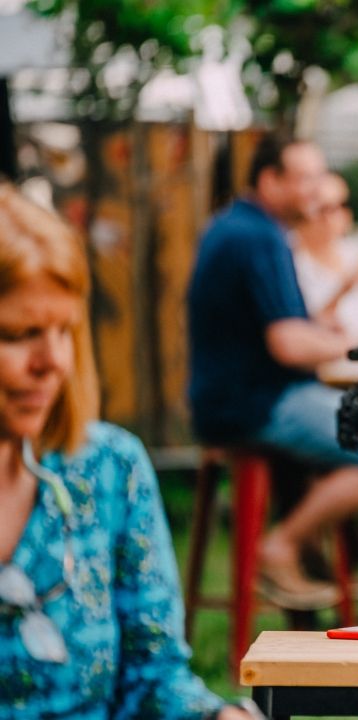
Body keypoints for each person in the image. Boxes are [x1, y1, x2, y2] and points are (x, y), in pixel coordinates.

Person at [0, 185, 250, 718]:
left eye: (64, 331)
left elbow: (153, 679)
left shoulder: (107, 468)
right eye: (20, 334)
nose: (52, 362)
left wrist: (220, 715)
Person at [187, 134, 358, 610]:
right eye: (306, 179)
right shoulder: (259, 237)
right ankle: (285, 545)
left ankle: (323, 553)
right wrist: (357, 346)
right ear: (270, 180)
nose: (317, 189)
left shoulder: (239, 226)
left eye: (320, 176)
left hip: (237, 398)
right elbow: (288, 344)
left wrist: (323, 329)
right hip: (254, 405)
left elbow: (282, 328)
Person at [291, 172, 358, 351]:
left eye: (342, 205)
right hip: (333, 366)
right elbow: (299, 332)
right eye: (323, 208)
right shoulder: (292, 260)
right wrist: (345, 288)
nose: (336, 215)